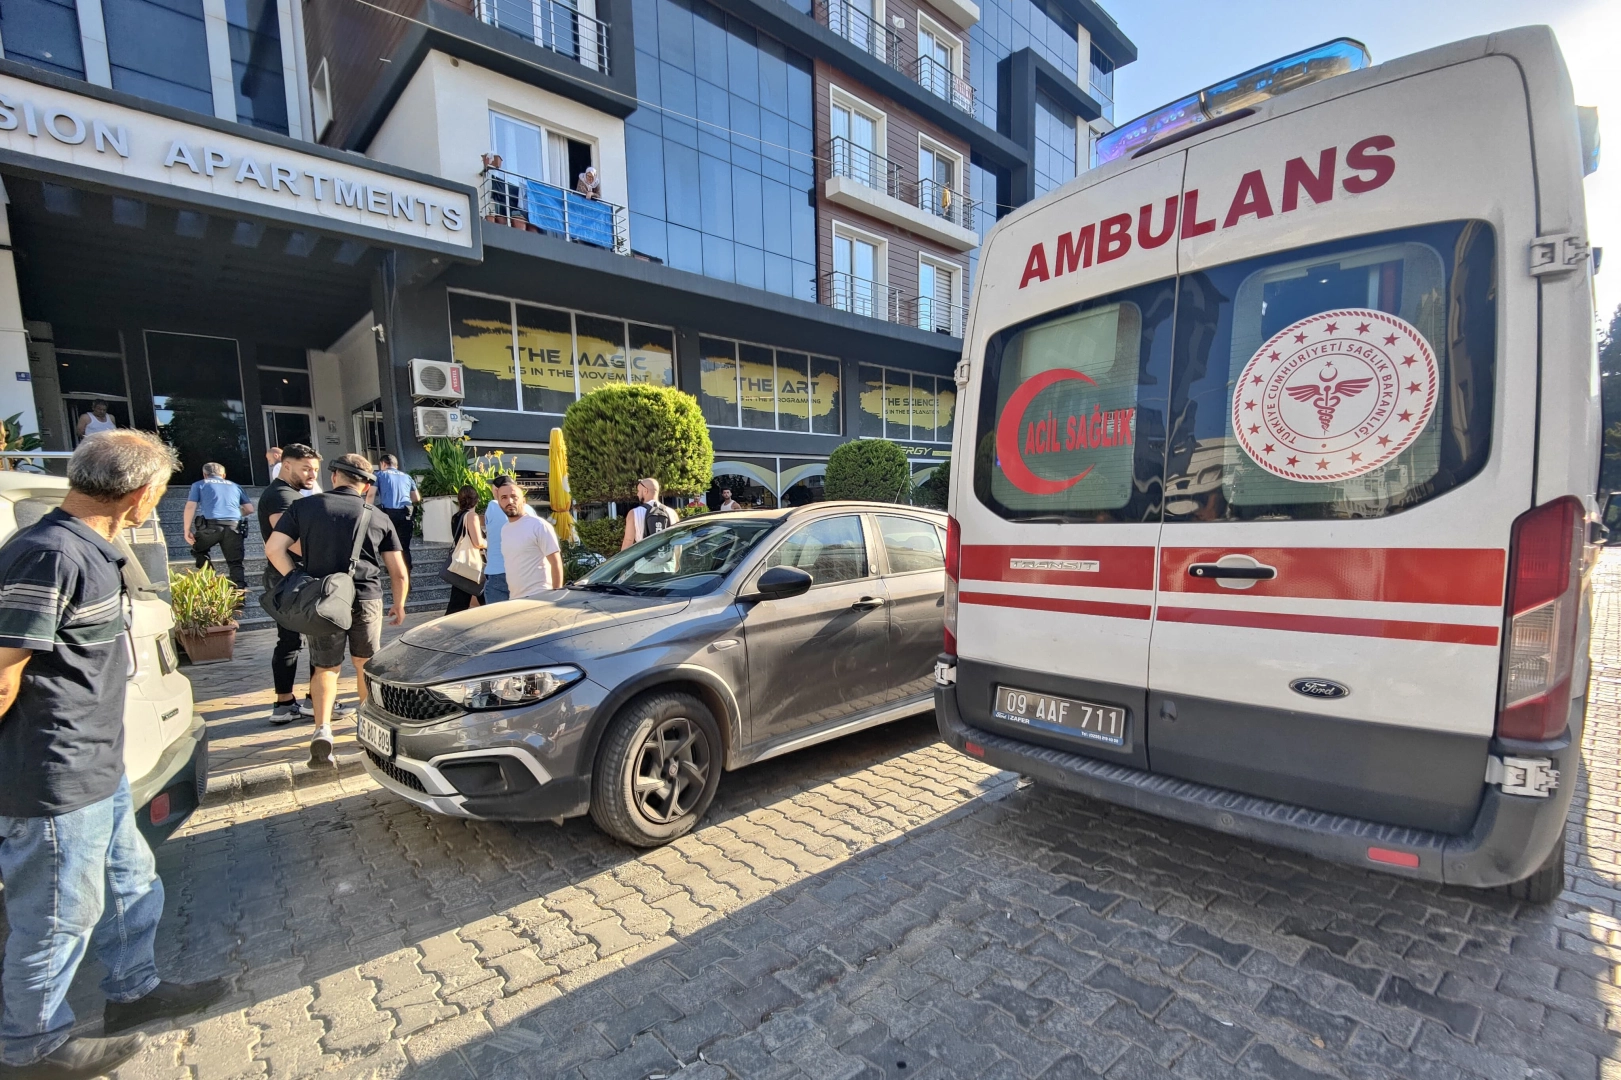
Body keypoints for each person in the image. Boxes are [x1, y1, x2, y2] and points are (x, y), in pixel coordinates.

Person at [0, 430, 227, 1078]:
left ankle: (133, 991)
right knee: (56, 916)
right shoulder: (49, 554)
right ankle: (30, 1047)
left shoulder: (88, 549)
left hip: (100, 766)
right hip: (54, 775)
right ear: (141, 493)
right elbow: (2, 670)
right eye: (159, 491)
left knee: (131, 884)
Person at [265, 454, 408, 768]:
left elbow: (273, 548)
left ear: (333, 477)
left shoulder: (304, 507)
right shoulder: (378, 516)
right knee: (365, 665)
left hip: (324, 600)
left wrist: (297, 579)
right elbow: (398, 571)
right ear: (366, 485)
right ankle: (367, 728)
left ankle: (323, 729)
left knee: (325, 667)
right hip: (366, 597)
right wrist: (399, 604)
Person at [257, 444, 355, 727]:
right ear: (286, 465)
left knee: (296, 640)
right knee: (309, 637)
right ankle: (299, 702)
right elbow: (287, 542)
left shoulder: (287, 494)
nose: (312, 475)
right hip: (291, 578)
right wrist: (316, 561)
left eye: (315, 469)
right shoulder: (281, 496)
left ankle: (293, 702)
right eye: (306, 469)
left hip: (290, 577)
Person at [183, 463, 252, 587]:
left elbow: (190, 507)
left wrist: (186, 530)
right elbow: (249, 509)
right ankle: (240, 592)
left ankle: (212, 583)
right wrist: (235, 512)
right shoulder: (235, 486)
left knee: (199, 550)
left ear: (205, 474)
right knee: (235, 563)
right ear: (223, 475)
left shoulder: (199, 484)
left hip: (210, 527)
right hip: (234, 527)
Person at [499, 481, 562, 600]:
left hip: (540, 596)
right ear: (499, 503)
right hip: (515, 598)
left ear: (524, 501)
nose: (510, 501)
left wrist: (555, 597)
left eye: (514, 496)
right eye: (504, 497)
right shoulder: (505, 529)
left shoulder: (539, 525)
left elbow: (556, 562)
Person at [482, 474, 536, 603]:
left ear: (497, 490)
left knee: (497, 614)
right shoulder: (529, 509)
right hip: (524, 571)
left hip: (497, 571)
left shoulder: (493, 505)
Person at [373, 453, 420, 571]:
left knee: (388, 544)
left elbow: (370, 495)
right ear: (396, 465)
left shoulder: (379, 475)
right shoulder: (407, 477)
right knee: (404, 546)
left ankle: (392, 570)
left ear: (383, 464)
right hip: (406, 514)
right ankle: (406, 575)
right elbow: (416, 498)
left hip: (388, 514)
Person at [445, 485, 486, 615]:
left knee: (458, 603)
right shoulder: (471, 516)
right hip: (471, 563)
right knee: (485, 597)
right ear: (476, 499)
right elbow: (478, 542)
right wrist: (490, 543)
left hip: (462, 562)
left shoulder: (456, 517)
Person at [620, 477, 676, 550]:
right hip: (668, 557)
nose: (637, 494)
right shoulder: (672, 513)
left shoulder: (634, 513)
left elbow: (628, 542)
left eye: (638, 491)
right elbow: (677, 542)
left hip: (644, 557)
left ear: (645, 491)